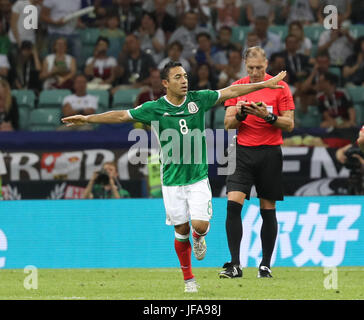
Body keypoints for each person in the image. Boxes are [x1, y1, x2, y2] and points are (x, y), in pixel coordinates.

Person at [62, 61, 287, 293]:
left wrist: (265, 84)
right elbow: (121, 116)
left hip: (198, 177)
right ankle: (189, 280)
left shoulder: (198, 99)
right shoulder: (155, 108)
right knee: (181, 231)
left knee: (199, 225)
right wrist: (88, 119)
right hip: (171, 180)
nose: (184, 81)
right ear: (165, 83)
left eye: (185, 76)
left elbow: (231, 91)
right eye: (178, 77)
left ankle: (200, 237)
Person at [221, 46, 294, 279]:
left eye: (259, 68)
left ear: (267, 64)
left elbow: (289, 124)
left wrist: (267, 116)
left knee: (268, 210)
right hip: (241, 151)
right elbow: (227, 124)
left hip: (270, 153)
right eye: (251, 68)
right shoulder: (237, 88)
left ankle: (264, 265)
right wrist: (241, 114)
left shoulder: (280, 87)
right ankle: (235, 264)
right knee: (233, 205)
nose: (254, 73)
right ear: (245, 65)